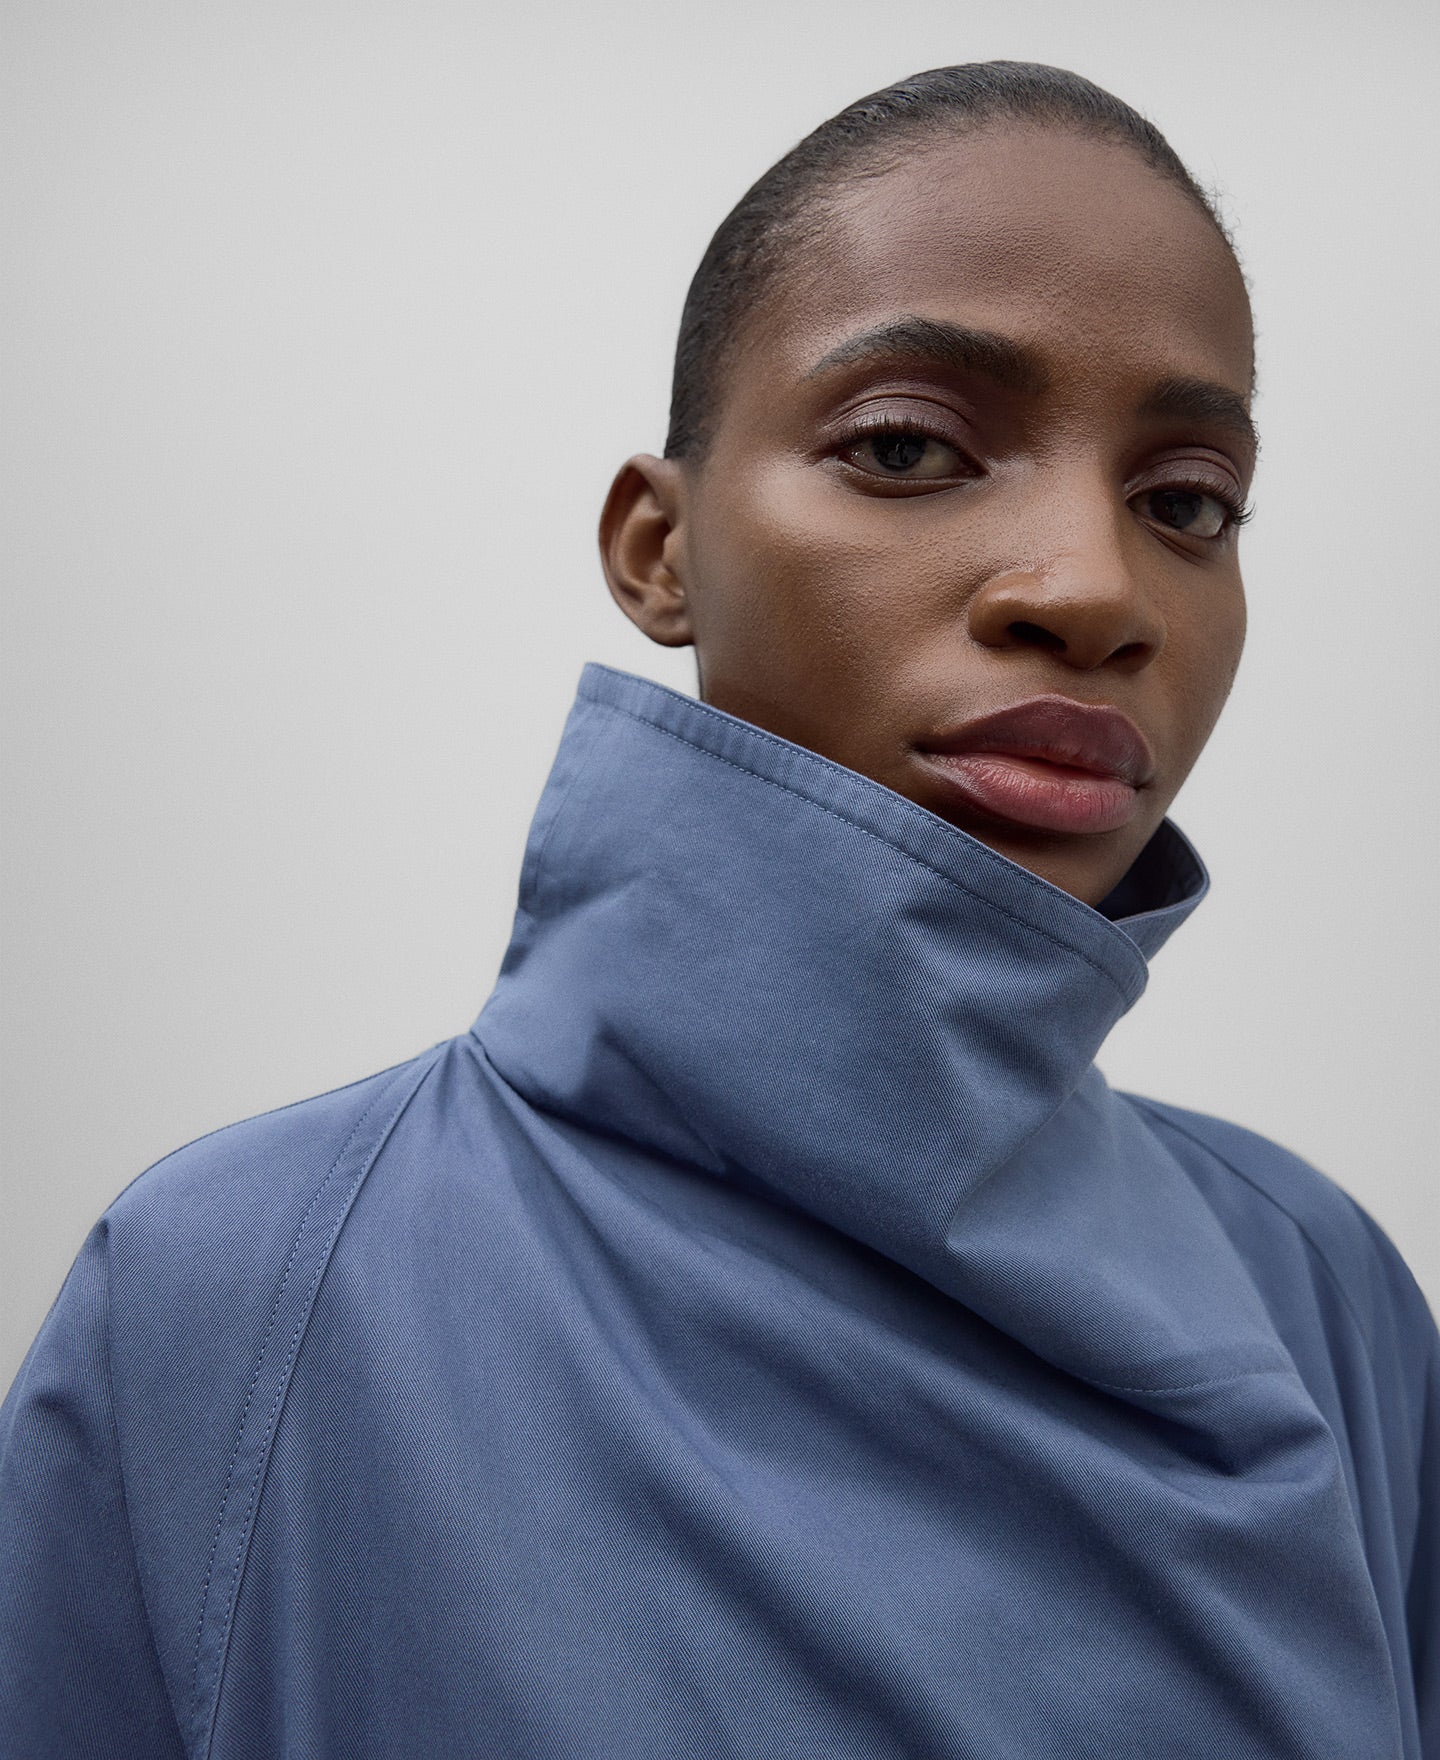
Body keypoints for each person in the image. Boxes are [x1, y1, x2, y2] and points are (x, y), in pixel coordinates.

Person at [1, 60, 1433, 1759]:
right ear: (658, 551)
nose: (1096, 588)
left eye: (1185, 500)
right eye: (907, 447)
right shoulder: (237, 1297)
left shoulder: (1319, 1285)